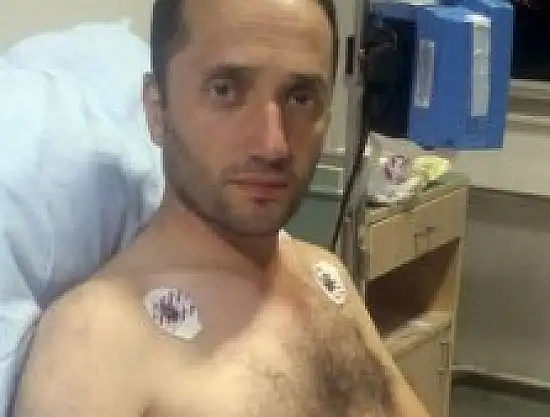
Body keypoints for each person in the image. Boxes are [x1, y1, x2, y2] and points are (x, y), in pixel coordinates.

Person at [11, 0, 431, 416]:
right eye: (225, 90)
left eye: (300, 98)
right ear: (156, 110)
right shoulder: (97, 340)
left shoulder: (325, 277)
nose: (273, 145)